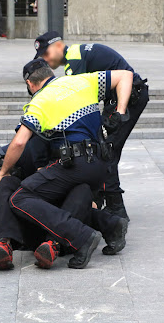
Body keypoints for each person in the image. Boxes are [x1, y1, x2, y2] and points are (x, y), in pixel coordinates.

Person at [0, 59, 133, 271]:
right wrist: (120, 111)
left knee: (19, 197)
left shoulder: (40, 100)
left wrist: (3, 171)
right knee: (78, 190)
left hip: (75, 162)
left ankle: (82, 236)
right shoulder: (82, 80)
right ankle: (110, 224)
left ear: (30, 84)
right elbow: (125, 75)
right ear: (50, 73)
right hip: (102, 165)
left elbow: (19, 141)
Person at [35, 31, 149, 221]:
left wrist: (119, 113)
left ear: (58, 46)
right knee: (104, 150)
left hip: (129, 99)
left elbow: (77, 97)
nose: (46, 60)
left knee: (106, 152)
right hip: (123, 99)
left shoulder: (74, 59)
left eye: (46, 54)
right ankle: (101, 201)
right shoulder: (78, 54)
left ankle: (116, 210)